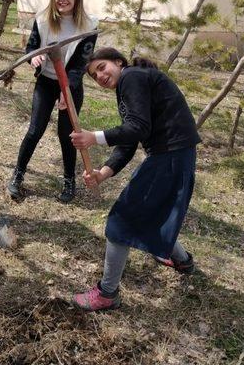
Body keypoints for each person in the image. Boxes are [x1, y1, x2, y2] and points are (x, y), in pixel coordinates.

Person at [69, 47, 201, 311]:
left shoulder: (132, 77)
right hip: (175, 154)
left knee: (121, 221)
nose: (100, 76)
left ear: (118, 62)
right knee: (153, 213)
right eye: (95, 76)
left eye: (102, 67)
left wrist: (94, 137)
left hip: (171, 156)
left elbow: (139, 128)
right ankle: (182, 261)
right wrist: (103, 173)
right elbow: (130, 139)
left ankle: (107, 293)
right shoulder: (133, 81)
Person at [7, 0, 97, 203]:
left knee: (67, 134)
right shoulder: (43, 20)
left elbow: (81, 63)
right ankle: (18, 175)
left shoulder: (89, 25)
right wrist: (34, 57)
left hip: (71, 85)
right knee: (35, 129)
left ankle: (69, 181)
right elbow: (31, 48)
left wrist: (66, 91)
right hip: (46, 83)